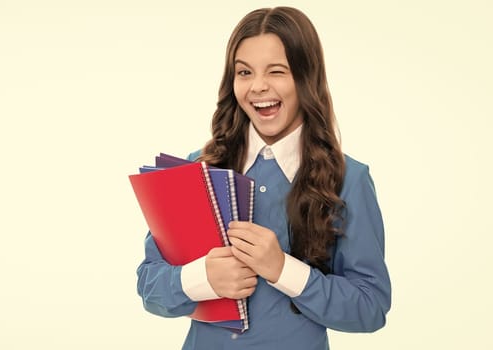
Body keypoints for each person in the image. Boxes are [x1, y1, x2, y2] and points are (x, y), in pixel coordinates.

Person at [136, 7, 391, 349]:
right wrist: (200, 279)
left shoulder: (349, 180)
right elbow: (149, 287)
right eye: (244, 72)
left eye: (277, 71)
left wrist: (283, 269)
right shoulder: (199, 169)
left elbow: (370, 308)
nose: (258, 86)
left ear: (306, 78)